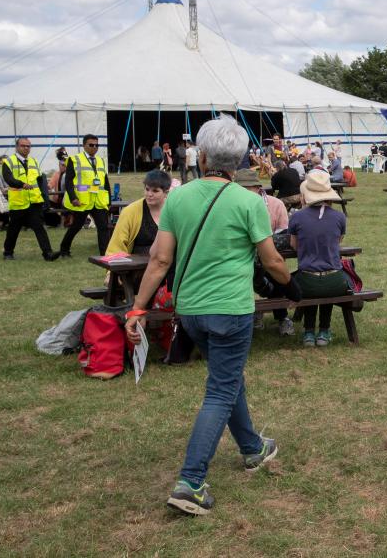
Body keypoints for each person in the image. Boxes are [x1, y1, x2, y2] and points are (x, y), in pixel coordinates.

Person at [124, 116, 292, 516]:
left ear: (201, 155)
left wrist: (138, 307)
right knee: (220, 388)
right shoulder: (250, 202)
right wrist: (288, 281)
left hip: (191, 311)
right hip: (231, 310)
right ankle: (190, 482)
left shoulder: (177, 198)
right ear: (240, 160)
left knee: (226, 377)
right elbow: (271, 261)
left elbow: (160, 259)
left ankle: (252, 448)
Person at [288, 170, 350, 347]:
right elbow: (337, 243)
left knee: (305, 280)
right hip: (335, 281)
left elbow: (294, 245)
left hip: (307, 280)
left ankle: (308, 332)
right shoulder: (340, 217)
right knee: (328, 280)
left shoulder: (297, 217)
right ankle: (324, 330)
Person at [0, 138, 60, 261]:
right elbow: (8, 179)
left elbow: (40, 180)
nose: (26, 148)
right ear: (17, 147)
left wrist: (44, 199)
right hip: (18, 202)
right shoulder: (8, 162)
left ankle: (48, 254)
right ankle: (8, 253)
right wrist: (21, 184)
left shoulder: (34, 161)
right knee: (13, 229)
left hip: (34, 202)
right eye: (23, 146)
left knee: (39, 228)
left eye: (28, 146)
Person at [59, 134, 111, 258]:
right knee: (76, 226)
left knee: (103, 227)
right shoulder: (74, 159)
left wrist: (109, 200)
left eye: (96, 145)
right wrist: (73, 198)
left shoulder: (101, 160)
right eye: (91, 145)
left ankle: (105, 254)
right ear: (84, 145)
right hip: (82, 201)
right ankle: (64, 249)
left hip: (98, 200)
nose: (94, 147)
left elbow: (105, 181)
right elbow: (68, 181)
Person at [106, 169, 172, 256]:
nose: (149, 194)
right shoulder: (130, 212)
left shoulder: (174, 211)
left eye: (155, 191)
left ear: (166, 193)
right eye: (147, 189)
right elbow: (116, 247)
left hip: (170, 265)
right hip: (136, 266)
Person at [235, 169, 288, 233]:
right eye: (238, 189)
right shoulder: (231, 205)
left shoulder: (277, 204)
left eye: (247, 189)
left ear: (257, 188)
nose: (242, 193)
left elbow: (282, 232)